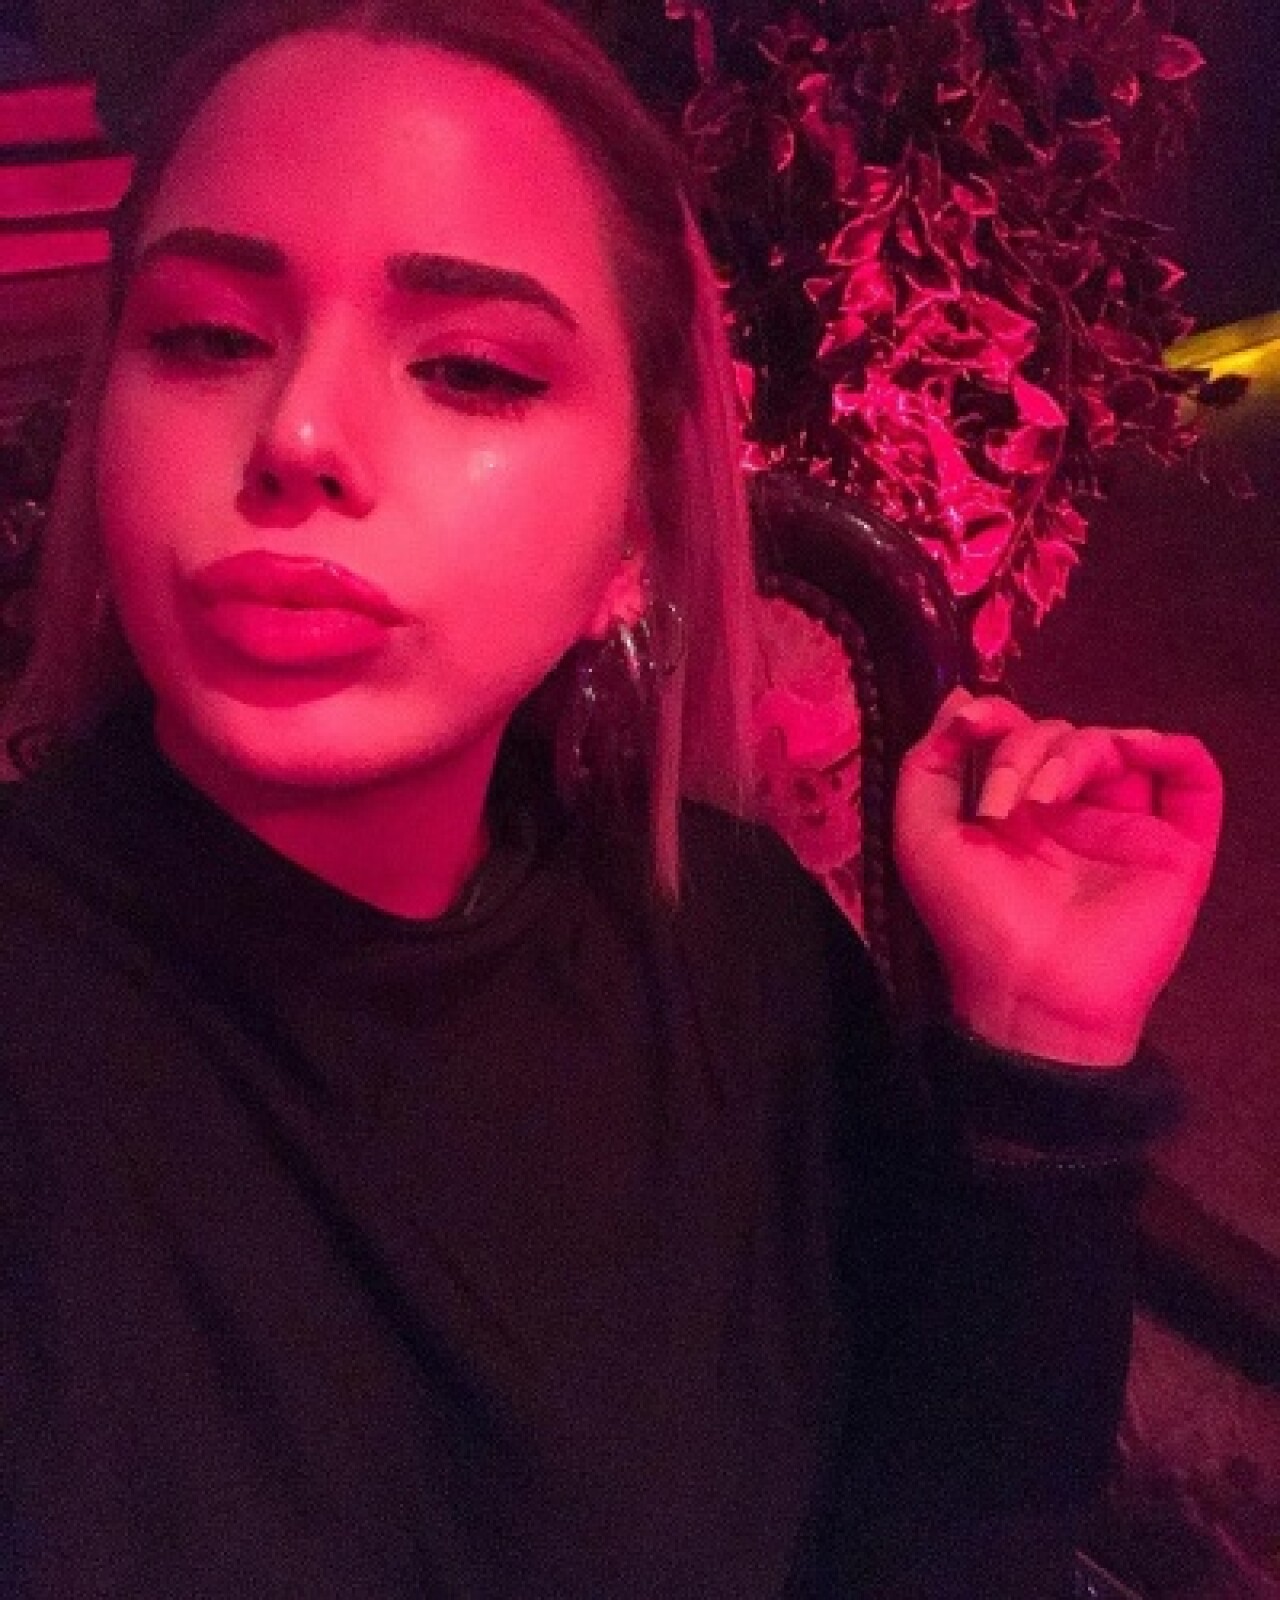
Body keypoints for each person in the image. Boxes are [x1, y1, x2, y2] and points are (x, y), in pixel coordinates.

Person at [0, 0, 1223, 1595]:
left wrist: (1043, 1052)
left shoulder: (735, 946)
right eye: (208, 337)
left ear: (633, 531)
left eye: (470, 368)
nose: (295, 433)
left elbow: (953, 1532)